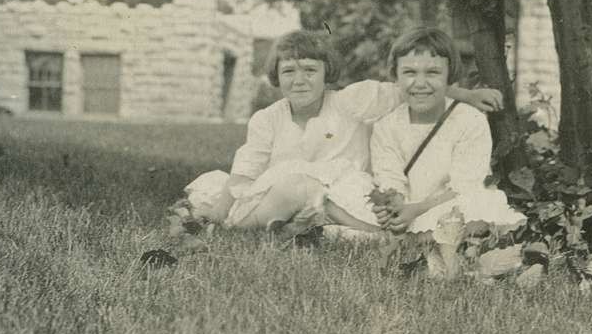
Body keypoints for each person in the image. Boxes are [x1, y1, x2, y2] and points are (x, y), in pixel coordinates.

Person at [183, 29, 502, 231]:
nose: (300, 80)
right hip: (281, 192)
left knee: (323, 199)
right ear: (276, 77)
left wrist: (468, 96)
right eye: (289, 72)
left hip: (344, 192)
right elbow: (245, 170)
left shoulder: (352, 101)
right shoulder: (267, 119)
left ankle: (305, 225)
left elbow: (407, 87)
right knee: (292, 187)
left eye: (310, 70)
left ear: (327, 74)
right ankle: (234, 226)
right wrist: (220, 215)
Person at [326, 27, 525, 235]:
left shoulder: (469, 119)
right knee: (349, 202)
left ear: (450, 77)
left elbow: (466, 184)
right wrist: (393, 205)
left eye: (433, 72)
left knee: (480, 205)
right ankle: (409, 235)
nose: (420, 84)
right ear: (396, 77)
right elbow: (390, 176)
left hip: (446, 202)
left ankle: (408, 238)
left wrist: (418, 210)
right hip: (407, 206)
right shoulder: (387, 125)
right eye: (409, 73)